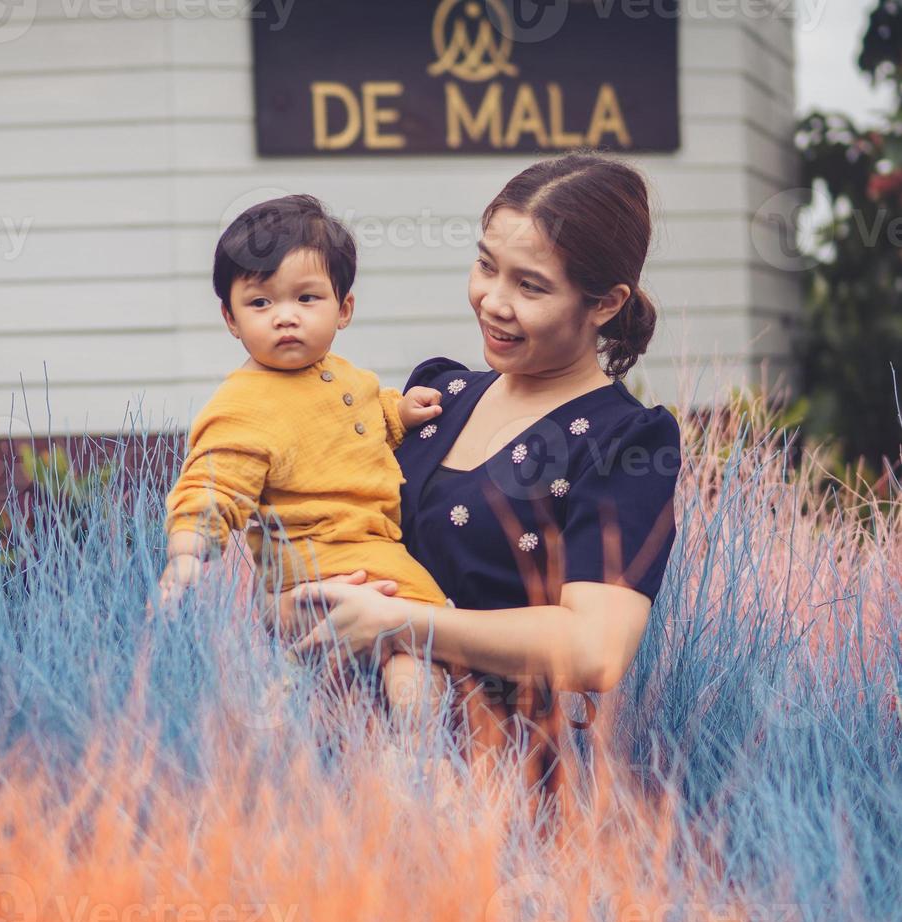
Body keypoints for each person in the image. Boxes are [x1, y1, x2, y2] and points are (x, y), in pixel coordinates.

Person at [282, 152, 683, 793]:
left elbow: (595, 650)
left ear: (605, 303)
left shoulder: (623, 442)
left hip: (490, 782)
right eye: (485, 265)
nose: (493, 301)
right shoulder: (437, 396)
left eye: (531, 286)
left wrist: (401, 622)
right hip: (333, 754)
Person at [159, 195, 450, 646]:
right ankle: (432, 713)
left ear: (344, 308)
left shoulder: (344, 374)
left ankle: (392, 714)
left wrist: (400, 412)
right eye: (260, 302)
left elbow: (363, 413)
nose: (285, 317)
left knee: (396, 659)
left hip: (367, 550)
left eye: (306, 298)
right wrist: (187, 553)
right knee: (435, 631)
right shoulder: (244, 403)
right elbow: (214, 480)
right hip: (325, 559)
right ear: (230, 318)